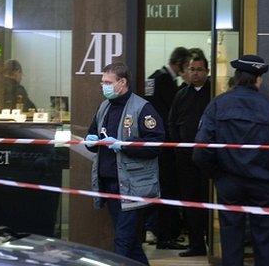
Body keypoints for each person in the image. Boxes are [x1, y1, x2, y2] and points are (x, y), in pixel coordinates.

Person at [193, 54, 269, 266]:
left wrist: (217, 174)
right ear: (259, 79)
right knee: (265, 241)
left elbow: (200, 151)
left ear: (237, 76)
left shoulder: (218, 105)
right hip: (264, 182)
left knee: (231, 240)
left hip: (229, 182)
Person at [84, 62, 165, 264]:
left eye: (108, 82)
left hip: (133, 186)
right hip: (110, 184)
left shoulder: (142, 108)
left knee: (122, 242)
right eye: (102, 82)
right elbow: (92, 135)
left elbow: (155, 144)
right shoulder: (104, 107)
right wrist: (91, 142)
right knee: (131, 245)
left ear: (122, 82)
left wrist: (124, 145)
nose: (104, 86)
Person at [145, 46, 191, 250]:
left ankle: (163, 232)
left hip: (158, 146)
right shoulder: (163, 81)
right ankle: (164, 235)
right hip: (165, 147)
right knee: (167, 190)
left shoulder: (156, 78)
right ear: (180, 63)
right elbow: (169, 114)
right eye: (187, 65)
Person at [168, 53, 212, 257]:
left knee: (208, 201)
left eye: (200, 69)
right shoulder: (181, 94)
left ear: (207, 71)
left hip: (208, 158)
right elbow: (172, 123)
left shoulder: (214, 93)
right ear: (186, 71)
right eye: (192, 69)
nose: (195, 73)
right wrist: (178, 147)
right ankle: (196, 244)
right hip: (185, 159)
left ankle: (212, 242)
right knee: (189, 201)